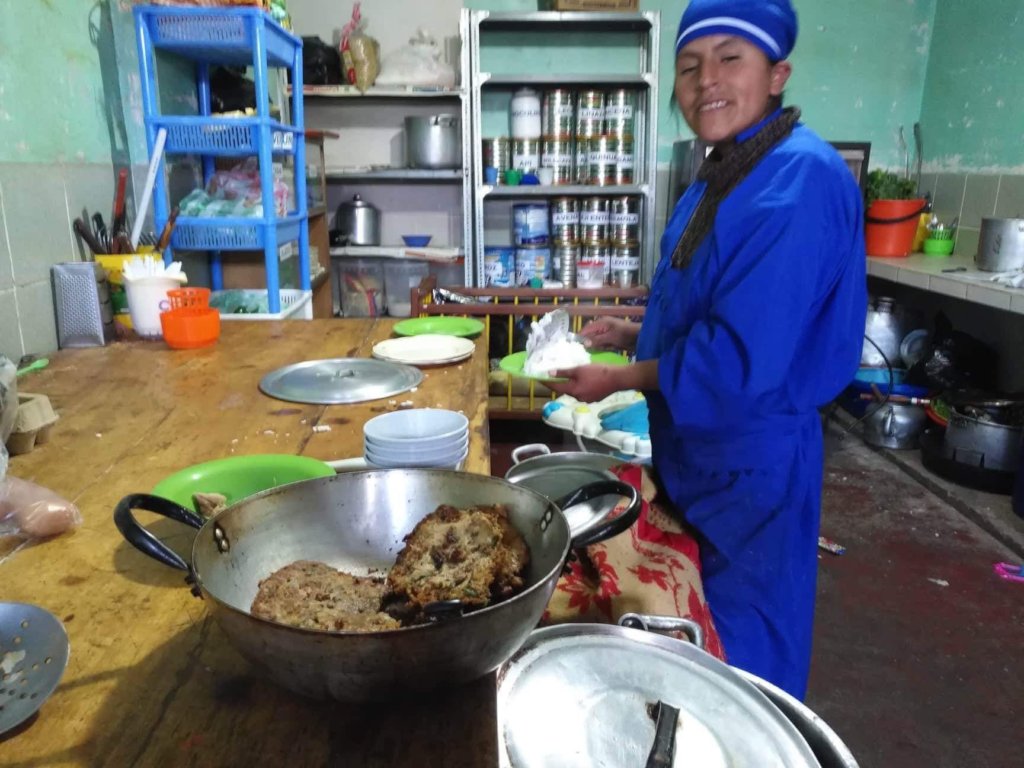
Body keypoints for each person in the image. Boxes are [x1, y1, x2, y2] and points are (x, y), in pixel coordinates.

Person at [549, 0, 867, 699]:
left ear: (777, 73)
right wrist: (636, 333)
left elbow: (742, 360)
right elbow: (708, 309)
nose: (705, 82)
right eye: (689, 66)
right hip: (697, 454)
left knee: (746, 656)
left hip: (751, 466)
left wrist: (620, 377)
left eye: (731, 59)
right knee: (698, 636)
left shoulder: (799, 182)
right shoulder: (723, 171)